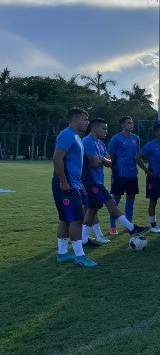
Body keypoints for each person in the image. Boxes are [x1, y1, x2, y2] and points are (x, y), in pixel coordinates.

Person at [82, 118, 149, 245]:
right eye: (103, 128)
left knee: (91, 210)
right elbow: (96, 163)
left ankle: (84, 240)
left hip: (98, 180)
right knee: (111, 204)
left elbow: (109, 162)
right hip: (90, 181)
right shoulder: (88, 141)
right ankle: (132, 228)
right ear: (94, 128)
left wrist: (102, 159)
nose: (106, 131)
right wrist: (102, 159)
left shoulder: (101, 143)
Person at [52, 108, 96, 267]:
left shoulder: (76, 137)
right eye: (85, 119)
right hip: (65, 185)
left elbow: (74, 164)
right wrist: (64, 182)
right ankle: (80, 256)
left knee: (65, 219)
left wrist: (80, 185)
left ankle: (62, 253)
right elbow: (57, 159)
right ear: (75, 119)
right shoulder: (67, 135)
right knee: (76, 220)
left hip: (73, 185)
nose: (87, 123)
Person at [107, 116, 141, 235]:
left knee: (131, 200)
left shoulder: (136, 138)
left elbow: (136, 155)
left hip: (132, 174)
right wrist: (114, 170)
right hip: (120, 174)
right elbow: (111, 155)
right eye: (128, 123)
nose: (131, 125)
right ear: (122, 125)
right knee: (115, 200)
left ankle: (128, 225)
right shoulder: (116, 138)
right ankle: (113, 226)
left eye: (132, 123)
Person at [136, 123, 160, 233]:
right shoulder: (150, 145)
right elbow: (137, 157)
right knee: (153, 201)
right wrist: (147, 171)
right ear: (156, 133)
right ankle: (154, 226)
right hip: (155, 178)